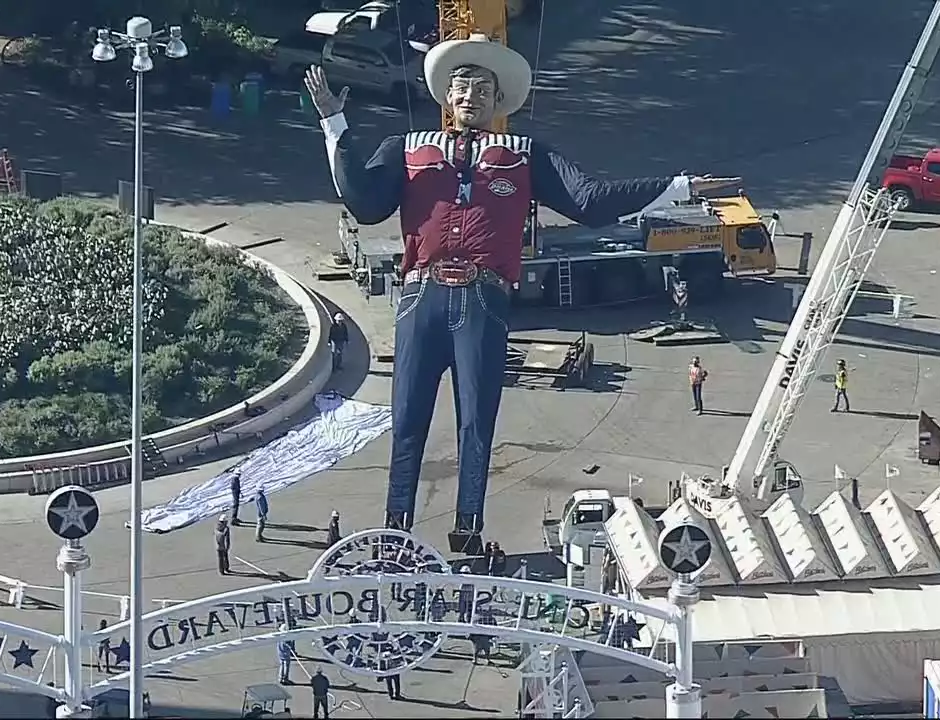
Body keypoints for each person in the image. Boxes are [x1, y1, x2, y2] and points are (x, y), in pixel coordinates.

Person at [304, 36, 725, 544]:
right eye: (462, 86)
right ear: (445, 96)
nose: (471, 96)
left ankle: (468, 528)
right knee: (408, 419)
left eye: (484, 88)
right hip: (421, 296)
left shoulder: (527, 155)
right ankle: (397, 528)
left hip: (484, 298)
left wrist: (677, 188)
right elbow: (365, 202)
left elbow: (589, 201)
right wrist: (334, 124)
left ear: (498, 102)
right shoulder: (408, 148)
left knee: (477, 422)